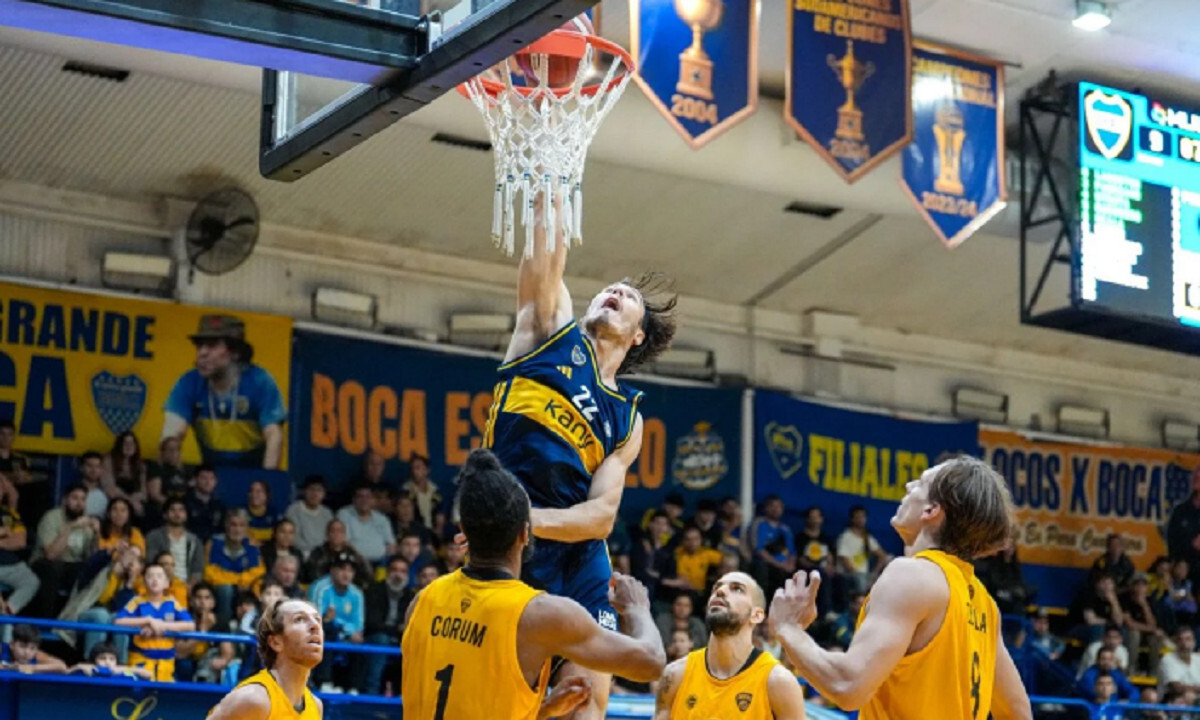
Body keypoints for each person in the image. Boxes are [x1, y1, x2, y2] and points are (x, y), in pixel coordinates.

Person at [481, 193, 677, 720]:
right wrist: (552, 188)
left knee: (585, 700)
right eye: (609, 288)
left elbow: (600, 517)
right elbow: (543, 259)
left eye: (628, 296)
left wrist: (526, 519)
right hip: (512, 553)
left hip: (574, 555)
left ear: (638, 336)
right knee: (505, 697)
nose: (614, 290)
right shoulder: (547, 331)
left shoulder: (627, 418)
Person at [401, 449, 667, 720]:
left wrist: (540, 711)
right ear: (525, 533)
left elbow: (460, 702)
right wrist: (637, 609)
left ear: (464, 534)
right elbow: (652, 662)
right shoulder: (536, 614)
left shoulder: (422, 602)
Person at [770, 456, 1033, 720]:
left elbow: (847, 685)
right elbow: (1018, 713)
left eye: (920, 483)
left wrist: (788, 629)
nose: (908, 486)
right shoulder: (985, 605)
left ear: (931, 510)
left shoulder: (912, 575)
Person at [654, 572, 807, 719]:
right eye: (716, 588)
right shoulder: (675, 674)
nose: (720, 591)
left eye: (737, 589)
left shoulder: (778, 682)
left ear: (756, 615)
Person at [162, 314, 286, 469]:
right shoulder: (188, 382)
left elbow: (274, 435)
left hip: (254, 482)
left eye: (212, 345)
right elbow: (172, 432)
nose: (202, 353)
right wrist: (171, 469)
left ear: (235, 352)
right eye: (199, 346)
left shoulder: (261, 382)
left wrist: (267, 481)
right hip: (209, 479)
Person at [206, 598, 325, 720]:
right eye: (299, 619)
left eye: (317, 619)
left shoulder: (315, 706)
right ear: (275, 642)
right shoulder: (254, 700)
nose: (315, 626)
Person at [115, 562, 196, 681]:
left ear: (166, 583)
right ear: (143, 582)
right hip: (141, 660)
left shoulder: (172, 603)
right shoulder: (137, 601)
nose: (155, 580)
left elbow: (190, 625)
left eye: (159, 576)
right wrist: (148, 621)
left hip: (166, 662)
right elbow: (118, 621)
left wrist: (163, 626)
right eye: (150, 576)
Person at [32, 483, 99, 616]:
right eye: (74, 498)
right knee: (53, 568)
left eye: (82, 499)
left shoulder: (87, 522)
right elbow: (50, 555)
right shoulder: (51, 517)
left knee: (90, 571)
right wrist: (71, 527)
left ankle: (72, 619)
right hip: (43, 564)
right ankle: (46, 620)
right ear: (65, 500)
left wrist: (97, 535)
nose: (79, 503)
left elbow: (92, 557)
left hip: (72, 566)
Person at [204, 509, 266, 626]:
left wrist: (244, 581)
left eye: (242, 525)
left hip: (245, 588)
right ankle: (224, 630)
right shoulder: (214, 543)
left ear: (247, 527)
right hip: (219, 589)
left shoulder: (253, 545)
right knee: (226, 589)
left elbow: (259, 571)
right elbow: (209, 573)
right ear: (226, 526)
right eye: (233, 525)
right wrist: (238, 581)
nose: (237, 529)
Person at [336, 483, 397, 566]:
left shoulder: (382, 519)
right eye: (360, 496)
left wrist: (385, 561)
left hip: (380, 564)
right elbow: (344, 542)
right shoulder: (344, 514)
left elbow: (391, 545)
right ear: (354, 500)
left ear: (373, 500)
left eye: (368, 497)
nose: (364, 500)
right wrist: (362, 560)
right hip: (354, 563)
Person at [835, 505, 890, 596]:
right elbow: (844, 559)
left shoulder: (867, 537)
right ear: (852, 519)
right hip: (848, 574)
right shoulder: (846, 537)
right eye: (858, 517)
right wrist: (858, 574)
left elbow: (882, 555)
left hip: (865, 575)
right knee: (860, 579)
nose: (860, 520)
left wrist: (874, 574)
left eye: (862, 517)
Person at [0, 496, 39, 617]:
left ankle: (7, 612)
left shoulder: (7, 513)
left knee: (31, 581)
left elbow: (20, 542)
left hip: (10, 564)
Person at [102, 431, 147, 518]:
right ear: (119, 445)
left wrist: (135, 500)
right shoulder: (109, 460)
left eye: (132, 443)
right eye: (125, 443)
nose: (129, 446)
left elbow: (143, 492)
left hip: (135, 502)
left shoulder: (140, 465)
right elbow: (109, 487)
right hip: (115, 500)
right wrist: (129, 501)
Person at [287, 476, 334, 557]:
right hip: (299, 554)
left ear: (324, 494)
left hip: (323, 555)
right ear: (304, 491)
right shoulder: (293, 510)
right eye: (311, 489)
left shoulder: (327, 513)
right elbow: (293, 538)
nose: (315, 494)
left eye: (319, 490)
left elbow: (329, 538)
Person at [0, 623, 68, 674]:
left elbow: (61, 666)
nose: (27, 652)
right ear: (12, 644)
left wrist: (31, 668)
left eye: (32, 648)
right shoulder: (2, 649)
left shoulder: (36, 655)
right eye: (22, 646)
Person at [69, 642, 153, 679]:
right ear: (94, 660)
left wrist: (123, 669)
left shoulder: (124, 672)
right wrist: (79, 667)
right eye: (102, 658)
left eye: (112, 659)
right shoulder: (87, 670)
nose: (107, 662)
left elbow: (148, 674)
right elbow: (67, 672)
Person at [185, 465, 225, 543]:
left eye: (211, 478)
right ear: (195, 480)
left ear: (216, 481)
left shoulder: (220, 506)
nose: (208, 482)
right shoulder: (184, 503)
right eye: (204, 478)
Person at [1159, 626, 1200, 696]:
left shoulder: (1198, 659)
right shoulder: (1167, 659)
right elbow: (1177, 688)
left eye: (1188, 639)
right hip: (1173, 700)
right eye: (1180, 640)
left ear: (1194, 642)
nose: (1184, 644)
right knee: (1189, 696)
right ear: (1175, 643)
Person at [245, 480, 282, 546]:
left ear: (267, 495)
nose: (254, 494)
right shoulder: (242, 512)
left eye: (258, 492)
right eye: (251, 491)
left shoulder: (273, 514)